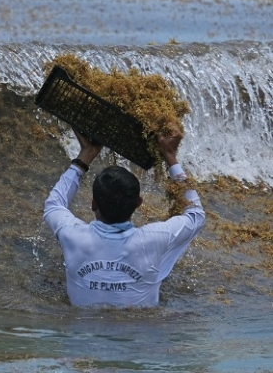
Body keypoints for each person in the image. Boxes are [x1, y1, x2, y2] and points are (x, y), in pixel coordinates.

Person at [43, 127, 205, 307]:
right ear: (138, 203)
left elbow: (54, 204)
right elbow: (195, 213)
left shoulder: (72, 235)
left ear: (93, 204)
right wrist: (169, 155)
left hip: (82, 330)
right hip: (142, 329)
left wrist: (85, 156)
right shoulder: (157, 237)